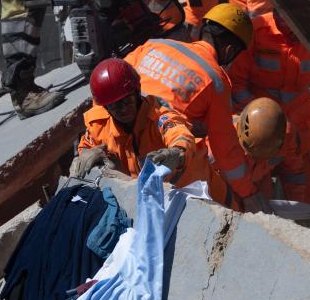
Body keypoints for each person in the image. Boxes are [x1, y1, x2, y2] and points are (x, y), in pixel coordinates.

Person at [124, 3, 270, 212]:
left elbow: (117, 81)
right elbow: (225, 151)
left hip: (119, 144)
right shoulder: (216, 81)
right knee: (228, 202)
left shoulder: (153, 45)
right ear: (229, 50)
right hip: (161, 160)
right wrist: (248, 193)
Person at [72, 58, 238, 208]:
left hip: (209, 196)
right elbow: (86, 146)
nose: (123, 109)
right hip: (160, 203)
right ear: (106, 107)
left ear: (136, 93)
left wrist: (178, 152)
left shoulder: (159, 115)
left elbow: (179, 133)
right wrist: (86, 153)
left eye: (127, 101)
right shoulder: (99, 126)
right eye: (115, 106)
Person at [228, 9, 310, 215]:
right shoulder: (256, 31)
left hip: (298, 127)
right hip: (258, 130)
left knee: (306, 186)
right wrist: (263, 117)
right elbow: (236, 84)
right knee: (259, 196)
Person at [234, 97, 307, 202]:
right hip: (232, 188)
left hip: (260, 179)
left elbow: (295, 173)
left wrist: (299, 206)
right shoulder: (220, 144)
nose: (256, 157)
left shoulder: (286, 137)